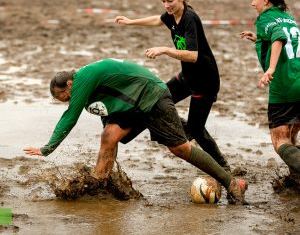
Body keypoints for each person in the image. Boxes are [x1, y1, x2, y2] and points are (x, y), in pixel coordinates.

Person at [24, 59, 248, 204]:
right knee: (109, 136)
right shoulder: (87, 87)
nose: (67, 102)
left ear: (70, 84)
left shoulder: (82, 78)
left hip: (151, 97)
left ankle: (231, 183)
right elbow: (108, 112)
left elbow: (70, 117)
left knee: (179, 148)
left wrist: (48, 148)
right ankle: (100, 183)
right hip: (132, 105)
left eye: (65, 97)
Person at [115, 0, 231, 173]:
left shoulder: (189, 18)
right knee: (156, 99)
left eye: (170, 1)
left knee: (196, 131)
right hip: (187, 77)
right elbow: (157, 20)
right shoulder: (172, 15)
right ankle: (172, 125)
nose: (167, 5)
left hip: (205, 82)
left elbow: (193, 56)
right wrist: (130, 22)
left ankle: (223, 167)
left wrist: (164, 50)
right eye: (163, 1)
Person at [240, 0, 300, 181]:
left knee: (279, 140)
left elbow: (279, 38)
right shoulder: (289, 18)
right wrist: (258, 38)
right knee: (291, 135)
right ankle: (296, 181)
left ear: (266, 0)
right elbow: (285, 38)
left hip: (284, 87)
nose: (252, 3)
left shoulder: (265, 18)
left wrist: (271, 68)